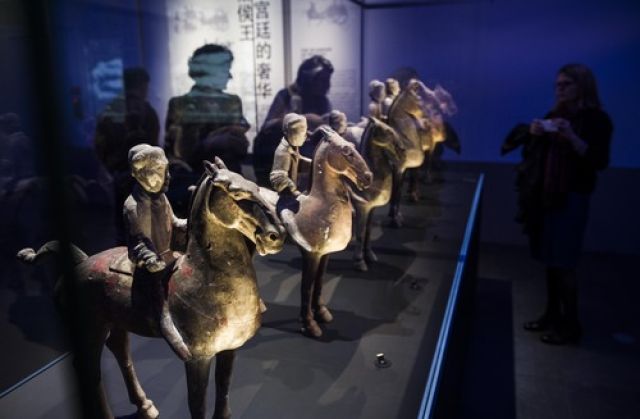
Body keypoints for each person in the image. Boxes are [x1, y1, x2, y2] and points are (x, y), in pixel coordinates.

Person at [503, 63, 613, 345]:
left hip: (571, 196)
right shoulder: (555, 115)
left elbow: (599, 161)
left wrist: (572, 137)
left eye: (566, 84)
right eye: (558, 85)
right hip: (547, 195)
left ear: (582, 87)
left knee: (564, 262)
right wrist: (535, 133)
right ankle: (552, 315)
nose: (560, 89)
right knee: (549, 260)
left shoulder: (597, 120)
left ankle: (571, 324)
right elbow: (534, 156)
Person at [124, 144, 191, 360]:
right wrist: (150, 258)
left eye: (166, 170)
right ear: (140, 174)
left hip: (170, 257)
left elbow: (174, 223)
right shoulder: (133, 206)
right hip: (152, 267)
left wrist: (191, 224)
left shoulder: (161, 198)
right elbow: (139, 242)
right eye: (160, 171)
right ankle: (167, 326)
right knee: (160, 301)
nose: (167, 176)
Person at [93, 67, 160, 243]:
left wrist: (111, 167)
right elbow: (155, 147)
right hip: (143, 177)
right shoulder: (148, 111)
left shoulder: (110, 110)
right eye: (145, 87)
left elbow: (100, 147)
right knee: (146, 226)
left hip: (118, 175)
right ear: (142, 86)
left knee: (122, 225)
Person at [164, 44, 249, 174]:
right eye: (225, 70)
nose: (229, 76)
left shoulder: (232, 102)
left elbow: (240, 147)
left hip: (230, 176)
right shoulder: (179, 104)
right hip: (193, 177)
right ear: (209, 72)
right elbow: (176, 154)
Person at [270, 113, 311, 215]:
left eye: (304, 132)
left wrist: (314, 165)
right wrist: (295, 192)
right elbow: (278, 177)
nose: (305, 136)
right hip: (286, 201)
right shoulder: (283, 152)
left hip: (293, 196)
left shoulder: (293, 148)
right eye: (301, 133)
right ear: (288, 132)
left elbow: (299, 160)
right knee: (290, 221)